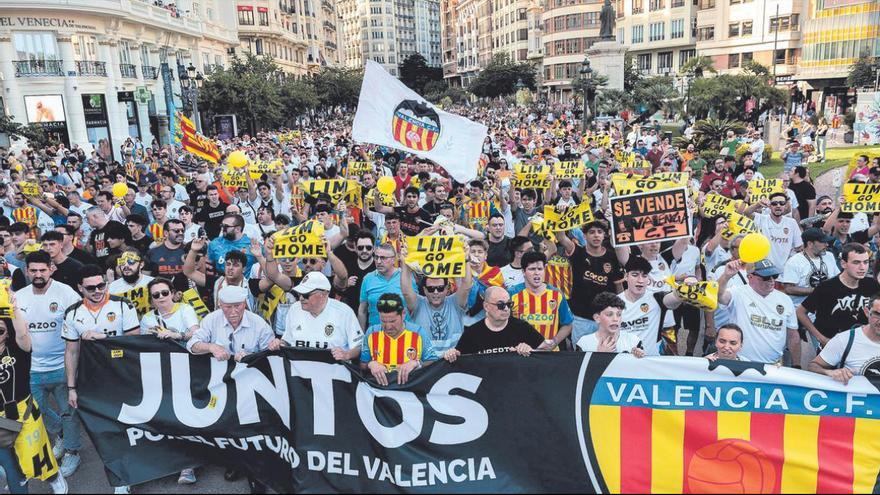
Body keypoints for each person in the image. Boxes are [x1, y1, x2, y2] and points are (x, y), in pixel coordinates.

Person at [63, 265, 139, 494]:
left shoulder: (123, 305)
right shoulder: (73, 312)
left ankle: (130, 473)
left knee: (126, 427)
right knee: (104, 430)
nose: (97, 290)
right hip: (92, 379)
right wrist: (71, 388)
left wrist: (102, 338)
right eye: (90, 287)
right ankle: (121, 477)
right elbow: (71, 352)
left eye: (101, 285)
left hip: (123, 376)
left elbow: (134, 341)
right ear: (80, 288)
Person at [14, 251, 82, 478]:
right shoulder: (20, 296)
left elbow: (78, 327)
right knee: (37, 410)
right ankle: (60, 433)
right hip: (31, 368)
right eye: (33, 270)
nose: (38, 274)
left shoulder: (67, 294)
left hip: (63, 365)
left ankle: (72, 451)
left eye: (42, 269)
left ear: (51, 268)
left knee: (68, 412)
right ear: (26, 271)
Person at [0, 291, 69, 494]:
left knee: (36, 458)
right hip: (0, 418)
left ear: (7, 333)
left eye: (1, 330)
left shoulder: (18, 350)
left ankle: (54, 477)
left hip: (23, 412)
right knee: (9, 464)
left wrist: (14, 310)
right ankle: (17, 479)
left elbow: (22, 333)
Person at [716, 259, 800, 366]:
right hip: (740, 363)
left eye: (774, 276)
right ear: (750, 277)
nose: (771, 280)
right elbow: (719, 296)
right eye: (766, 277)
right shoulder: (738, 293)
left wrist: (797, 365)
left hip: (772, 366)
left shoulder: (785, 300)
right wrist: (726, 276)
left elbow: (793, 335)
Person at [798, 243, 880, 349]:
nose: (862, 267)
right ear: (843, 263)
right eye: (856, 262)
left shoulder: (872, 285)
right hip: (833, 346)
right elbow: (800, 312)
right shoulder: (827, 287)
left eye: (866, 262)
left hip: (861, 346)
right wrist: (821, 338)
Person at [268, 272, 363, 359]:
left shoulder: (344, 312)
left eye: (306, 295)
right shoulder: (294, 309)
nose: (301, 298)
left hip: (333, 373)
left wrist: (346, 355)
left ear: (323, 294)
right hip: (299, 373)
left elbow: (358, 346)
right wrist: (279, 344)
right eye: (299, 294)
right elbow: (287, 341)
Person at [400, 244, 472, 354]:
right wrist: (405, 264)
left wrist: (466, 260)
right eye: (431, 288)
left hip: (453, 361)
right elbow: (406, 291)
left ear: (447, 289)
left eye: (440, 288)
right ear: (424, 290)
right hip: (425, 363)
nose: (435, 292)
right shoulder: (418, 304)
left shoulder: (455, 302)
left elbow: (466, 286)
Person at [445, 286, 545, 358]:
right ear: (486, 306)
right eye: (500, 305)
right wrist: (452, 354)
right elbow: (459, 360)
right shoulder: (472, 333)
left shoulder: (522, 327)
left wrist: (531, 350)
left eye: (509, 304)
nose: (506, 309)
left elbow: (547, 353)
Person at [360, 293, 437, 386]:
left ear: (403, 314)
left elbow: (434, 362)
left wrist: (416, 363)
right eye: (383, 321)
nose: (388, 327)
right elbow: (362, 365)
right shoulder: (371, 333)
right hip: (381, 393)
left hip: (408, 391)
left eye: (393, 321)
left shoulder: (418, 333)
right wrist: (371, 364)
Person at [508, 252, 574, 350]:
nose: (537, 273)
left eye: (540, 269)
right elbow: (502, 322)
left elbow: (568, 324)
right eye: (532, 269)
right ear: (523, 271)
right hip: (521, 353)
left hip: (549, 355)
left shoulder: (557, 294)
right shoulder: (512, 294)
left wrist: (554, 342)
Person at [809, 294, 880, 384]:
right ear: (867, 312)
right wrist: (830, 372)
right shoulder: (845, 340)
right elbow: (813, 366)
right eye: (877, 314)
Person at [575, 292, 645, 356]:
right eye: (609, 314)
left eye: (619, 314)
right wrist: (599, 355)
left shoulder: (633, 341)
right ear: (597, 318)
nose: (615, 319)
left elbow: (643, 367)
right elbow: (578, 369)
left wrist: (638, 359)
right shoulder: (584, 344)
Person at [358, 243, 402, 329]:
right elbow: (362, 310)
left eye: (383, 258)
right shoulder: (368, 279)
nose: (378, 261)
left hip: (402, 334)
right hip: (376, 335)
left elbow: (414, 308)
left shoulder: (405, 276)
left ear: (394, 259)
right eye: (376, 257)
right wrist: (362, 335)